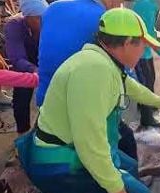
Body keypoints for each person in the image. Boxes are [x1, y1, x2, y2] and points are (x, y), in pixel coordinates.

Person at [15, 8, 160, 193]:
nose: (145, 51)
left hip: (71, 148)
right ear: (126, 43)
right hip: (60, 162)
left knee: (129, 165)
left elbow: (131, 87)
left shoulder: (103, 61)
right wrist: (116, 190)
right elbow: (90, 144)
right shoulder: (94, 71)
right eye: (142, 45)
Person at [36, 0, 144, 168]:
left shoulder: (52, 8)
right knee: (124, 141)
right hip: (76, 106)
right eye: (120, 2)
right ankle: (127, 187)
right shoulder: (103, 19)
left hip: (45, 100)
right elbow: (123, 70)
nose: (120, 6)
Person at [4, 0, 48, 134]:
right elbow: (17, 58)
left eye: (45, 17)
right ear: (27, 17)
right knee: (21, 94)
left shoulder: (50, 22)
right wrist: (34, 70)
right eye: (39, 18)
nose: (43, 21)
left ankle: (46, 132)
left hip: (44, 58)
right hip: (24, 62)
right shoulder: (14, 25)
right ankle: (22, 133)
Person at [132, 0, 160, 128]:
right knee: (145, 85)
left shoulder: (148, 5)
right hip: (139, 55)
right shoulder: (146, 6)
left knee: (150, 80)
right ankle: (147, 119)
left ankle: (146, 106)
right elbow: (150, 36)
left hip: (146, 53)